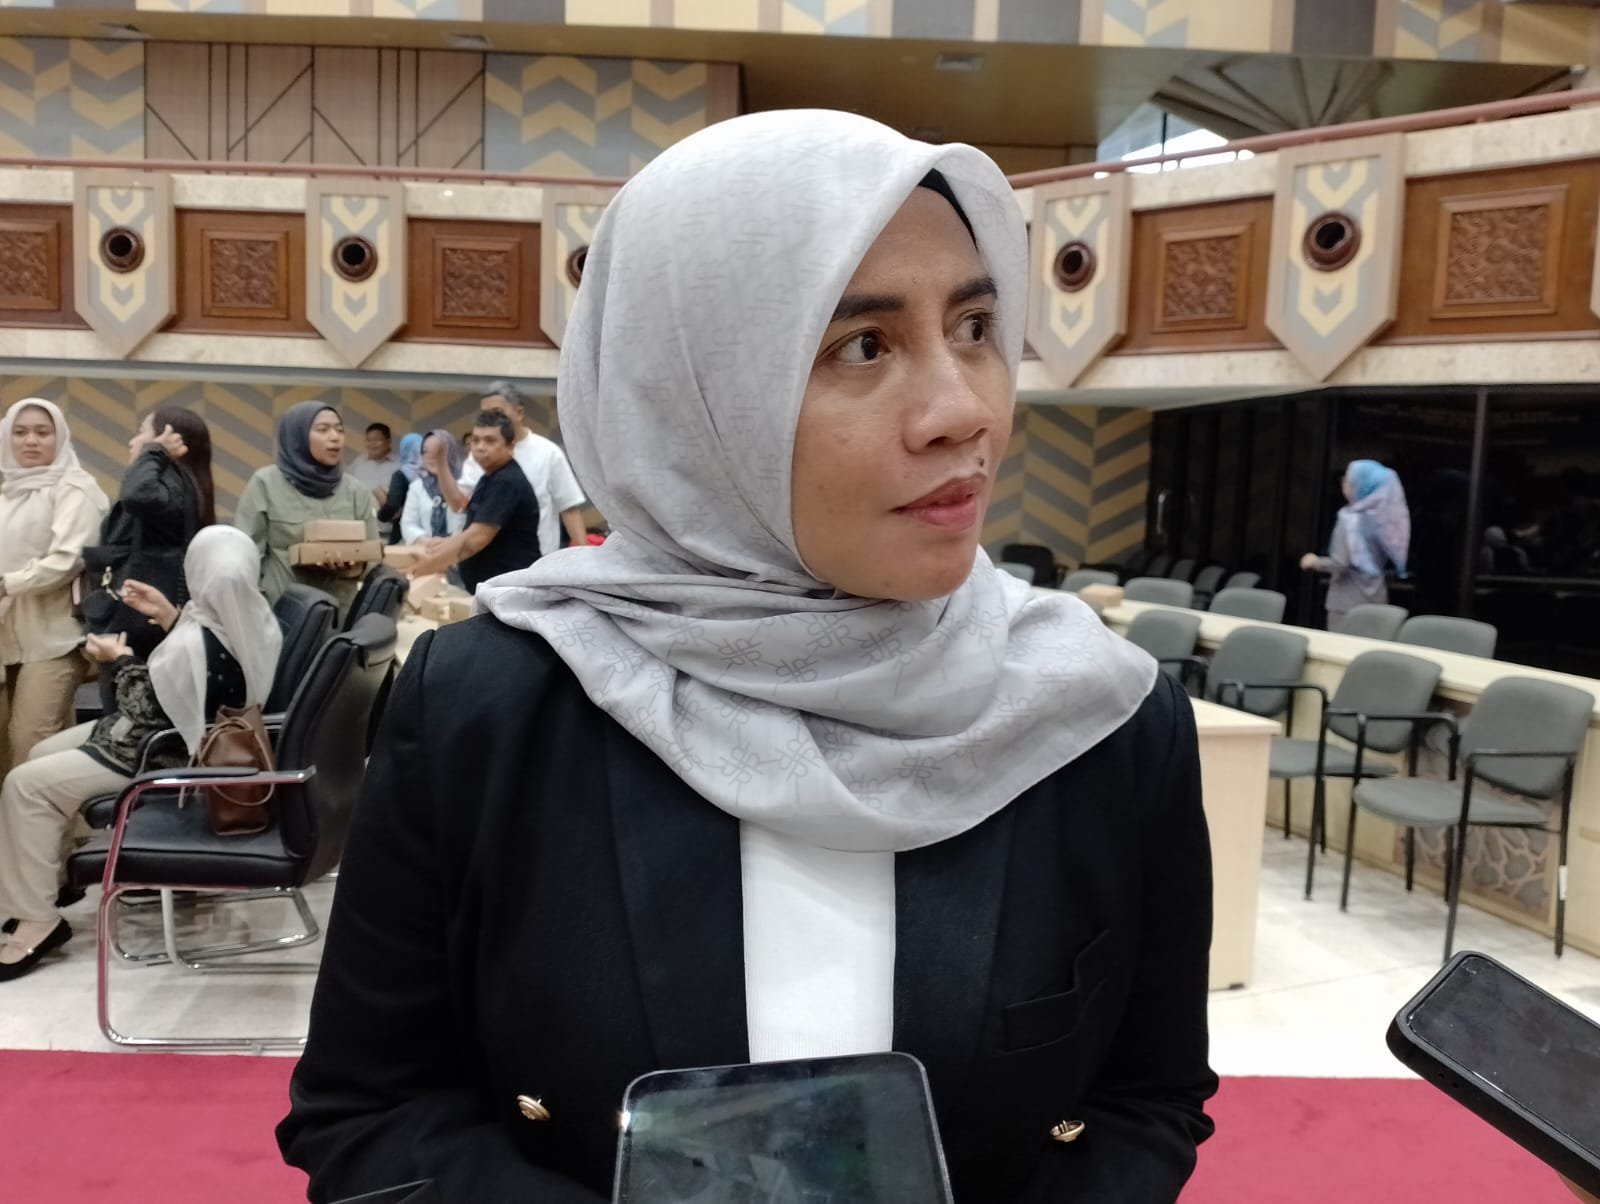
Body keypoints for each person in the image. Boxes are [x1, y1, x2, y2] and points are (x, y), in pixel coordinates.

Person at [279, 111, 1214, 1203]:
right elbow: (371, 1109)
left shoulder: (1098, 719)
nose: (964, 410)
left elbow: (1145, 1100)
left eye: (974, 326)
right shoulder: (492, 709)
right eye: (862, 346)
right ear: (692, 395)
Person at [0, 525, 280, 981]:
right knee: (41, 751)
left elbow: (143, 706)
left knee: (24, 785)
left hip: (164, 753)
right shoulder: (251, 618)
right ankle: (50, 881)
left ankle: (38, 922)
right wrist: (170, 616)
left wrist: (118, 660)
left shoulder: (199, 644)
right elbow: (204, 674)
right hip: (176, 734)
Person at [0, 399, 109, 781]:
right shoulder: (7, 492)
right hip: (6, 638)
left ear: (59, 437)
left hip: (53, 638)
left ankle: (34, 821)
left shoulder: (75, 489)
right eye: (20, 432)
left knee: (30, 746)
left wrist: (8, 583)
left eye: (42, 432)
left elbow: (69, 559)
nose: (30, 440)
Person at [87, 407, 215, 660]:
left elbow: (138, 495)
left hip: (142, 624)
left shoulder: (170, 486)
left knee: (132, 683)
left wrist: (154, 451)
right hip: (141, 617)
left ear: (168, 439)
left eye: (142, 432)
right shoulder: (175, 485)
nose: (133, 441)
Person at [234, 402, 378, 619]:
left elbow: (374, 558)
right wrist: (258, 613)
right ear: (298, 436)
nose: (335, 437)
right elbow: (246, 558)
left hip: (339, 617)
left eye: (339, 430)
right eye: (323, 429)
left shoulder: (356, 491)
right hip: (281, 616)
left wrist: (354, 566)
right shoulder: (265, 483)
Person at [434, 382, 589, 557]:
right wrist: (441, 464)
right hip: (482, 560)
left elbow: (569, 508)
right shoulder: (478, 455)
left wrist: (583, 558)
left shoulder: (548, 453)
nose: (491, 419)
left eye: (497, 412)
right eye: (485, 414)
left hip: (532, 561)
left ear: (519, 412)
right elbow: (459, 504)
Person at [405, 411, 541, 593]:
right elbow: (460, 507)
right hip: (492, 588)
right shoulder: (489, 477)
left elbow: (475, 539)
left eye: (490, 441)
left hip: (508, 589)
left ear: (510, 446)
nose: (480, 447)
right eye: (475, 440)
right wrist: (446, 544)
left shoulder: (506, 481)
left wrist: (425, 567)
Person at [1302, 459, 1411, 632]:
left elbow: (1340, 563)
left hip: (1345, 604)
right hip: (1376, 599)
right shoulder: (1387, 518)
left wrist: (1314, 562)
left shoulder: (1349, 519)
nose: (1344, 484)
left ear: (1361, 485)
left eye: (1348, 480)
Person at [399, 430, 467, 547]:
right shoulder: (417, 487)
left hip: (462, 551)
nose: (430, 456)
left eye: (438, 451)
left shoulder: (467, 484)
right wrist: (428, 542)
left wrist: (450, 543)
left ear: (450, 451)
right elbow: (408, 524)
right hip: (427, 550)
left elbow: (473, 524)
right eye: (425, 451)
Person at [376, 433, 422, 546]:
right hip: (429, 532)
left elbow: (392, 505)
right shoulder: (431, 473)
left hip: (404, 533)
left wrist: (381, 516)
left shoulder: (401, 475)